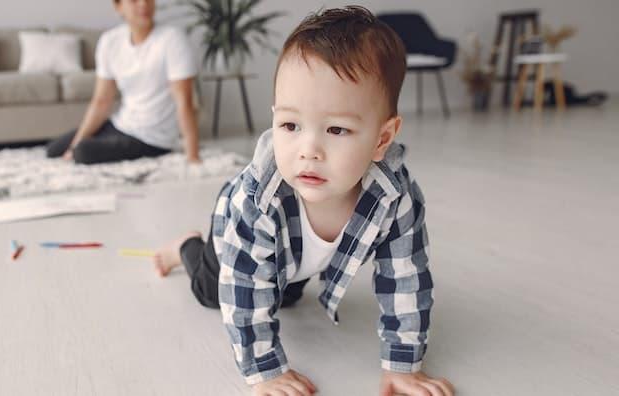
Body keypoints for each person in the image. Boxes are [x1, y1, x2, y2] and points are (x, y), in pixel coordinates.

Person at [153, 6, 455, 396]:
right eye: (290, 125)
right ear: (274, 118)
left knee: (287, 294)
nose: (308, 149)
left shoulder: (394, 197)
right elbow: (244, 291)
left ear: (382, 139)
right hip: (234, 240)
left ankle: (284, 278)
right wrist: (265, 372)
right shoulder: (258, 200)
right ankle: (186, 247)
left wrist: (404, 366)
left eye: (336, 129)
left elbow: (406, 280)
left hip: (294, 260)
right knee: (212, 294)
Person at [47, 0, 200, 165]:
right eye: (134, 0)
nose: (143, 4)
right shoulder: (110, 41)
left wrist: (192, 155)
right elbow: (101, 102)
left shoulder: (172, 39)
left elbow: (184, 102)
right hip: (121, 125)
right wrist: (76, 142)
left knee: (82, 152)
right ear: (118, 7)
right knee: (55, 149)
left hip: (152, 138)